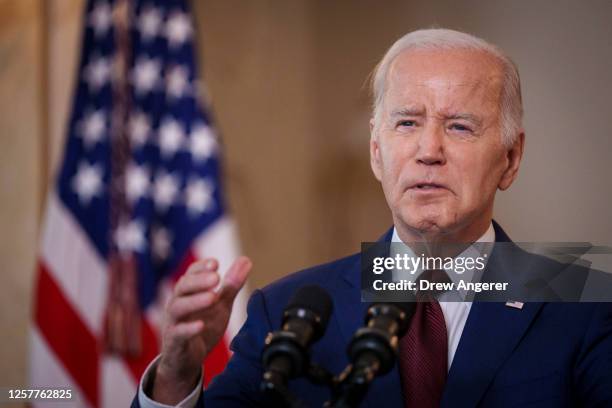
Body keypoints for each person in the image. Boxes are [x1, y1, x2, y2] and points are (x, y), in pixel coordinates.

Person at [133, 28, 612, 407]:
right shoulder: (284, 312)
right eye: (407, 122)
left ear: (510, 158)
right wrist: (176, 377)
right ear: (377, 152)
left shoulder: (587, 310)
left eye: (460, 126)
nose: (429, 151)